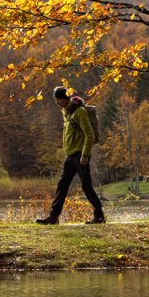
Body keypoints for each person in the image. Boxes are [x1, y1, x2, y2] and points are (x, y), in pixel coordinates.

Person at [36, 85, 105, 224]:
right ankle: (53, 217)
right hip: (70, 156)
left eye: (58, 99)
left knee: (86, 186)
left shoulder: (79, 112)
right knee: (62, 185)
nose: (57, 102)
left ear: (66, 98)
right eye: (56, 99)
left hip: (80, 155)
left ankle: (99, 216)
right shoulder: (66, 112)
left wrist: (85, 155)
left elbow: (89, 135)